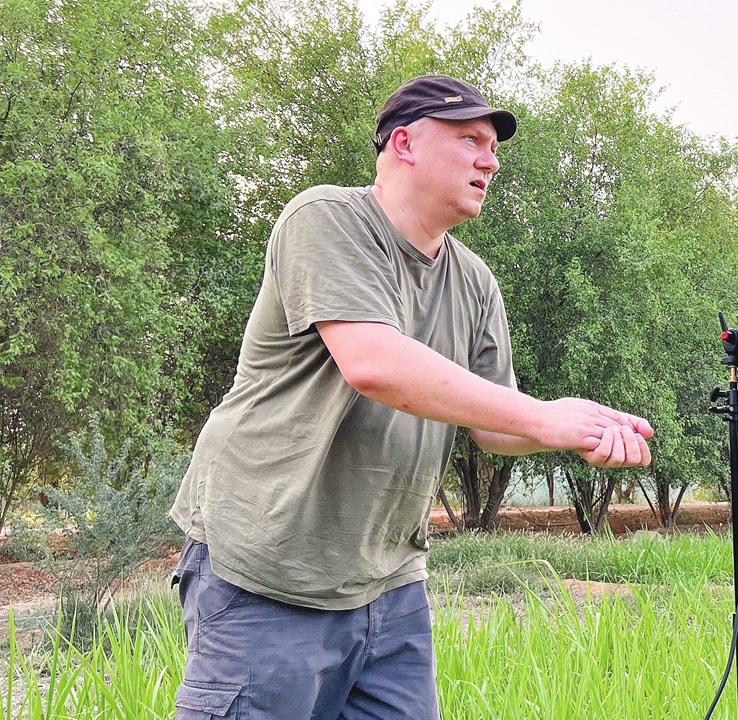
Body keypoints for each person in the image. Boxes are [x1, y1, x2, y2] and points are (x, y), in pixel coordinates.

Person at [168, 75, 653, 720]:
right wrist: (540, 415)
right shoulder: (327, 219)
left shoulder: (474, 281)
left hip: (389, 584)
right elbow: (373, 365)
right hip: (269, 572)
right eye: (470, 140)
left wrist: (575, 430)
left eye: (493, 146)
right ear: (404, 143)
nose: (491, 159)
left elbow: (494, 428)